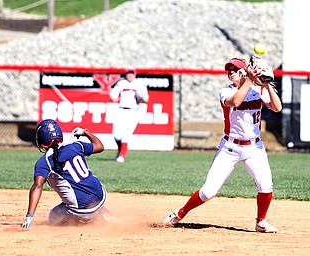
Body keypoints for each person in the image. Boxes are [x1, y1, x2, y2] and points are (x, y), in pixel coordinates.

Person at [164, 57, 282, 233]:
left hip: (254, 148)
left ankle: (261, 222)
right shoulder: (225, 91)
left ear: (244, 71)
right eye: (229, 70)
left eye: (235, 69)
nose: (231, 72)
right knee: (208, 192)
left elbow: (277, 107)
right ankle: (180, 213)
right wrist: (250, 80)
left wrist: (267, 83)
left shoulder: (258, 90)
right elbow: (235, 102)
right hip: (230, 147)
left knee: (265, 186)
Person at [21, 119, 116, 230]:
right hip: (101, 195)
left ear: (41, 141)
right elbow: (100, 146)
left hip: (83, 209)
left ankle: (86, 221)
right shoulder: (76, 145)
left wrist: (29, 216)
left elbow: (37, 186)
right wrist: (85, 132)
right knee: (85, 192)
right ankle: (102, 212)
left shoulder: (44, 162)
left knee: (54, 216)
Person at [109, 67, 149, 163]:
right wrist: (115, 99)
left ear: (135, 74)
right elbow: (112, 96)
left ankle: (122, 155)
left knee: (126, 134)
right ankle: (120, 150)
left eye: (132, 73)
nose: (130, 75)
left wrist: (142, 98)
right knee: (116, 135)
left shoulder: (139, 84)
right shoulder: (121, 83)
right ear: (126, 74)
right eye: (128, 73)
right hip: (121, 110)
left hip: (133, 112)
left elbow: (146, 99)